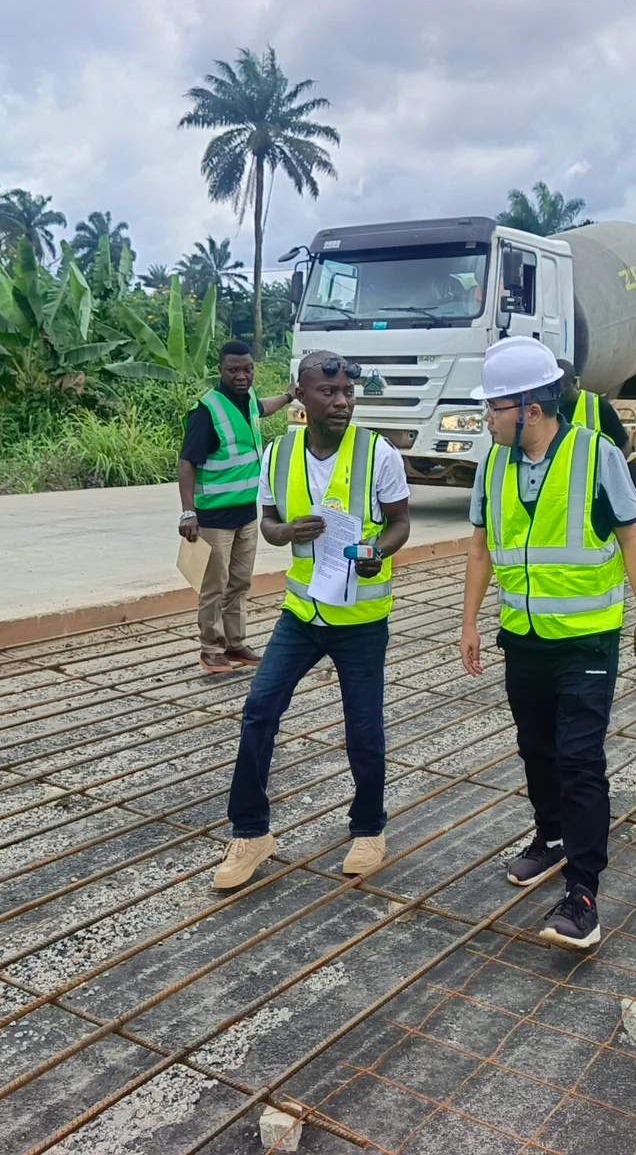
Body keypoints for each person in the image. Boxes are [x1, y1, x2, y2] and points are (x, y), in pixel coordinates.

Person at [459, 337, 636, 951]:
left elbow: (632, 539)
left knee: (579, 760)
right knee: (536, 750)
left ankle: (583, 894)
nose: (486, 418)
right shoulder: (492, 464)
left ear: (531, 408)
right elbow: (480, 548)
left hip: (586, 642)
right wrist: (469, 623)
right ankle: (550, 838)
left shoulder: (596, 455)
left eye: (494, 407)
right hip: (522, 638)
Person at [214, 351, 412, 889]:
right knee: (259, 711)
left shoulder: (378, 453)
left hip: (360, 619)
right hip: (301, 614)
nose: (342, 401)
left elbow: (400, 523)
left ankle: (369, 830)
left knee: (363, 728)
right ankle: (251, 833)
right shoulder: (278, 454)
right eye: (329, 392)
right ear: (300, 396)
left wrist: (377, 551)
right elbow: (269, 523)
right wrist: (286, 533)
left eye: (348, 391)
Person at [178, 341, 297, 672]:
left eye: (247, 369)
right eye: (233, 370)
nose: (241, 375)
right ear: (221, 370)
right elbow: (186, 463)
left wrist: (288, 396)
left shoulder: (247, 401)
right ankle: (210, 648)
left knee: (240, 582)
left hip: (246, 513)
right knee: (214, 586)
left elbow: (262, 407)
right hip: (214, 517)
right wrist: (188, 512)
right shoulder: (207, 411)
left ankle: (235, 643)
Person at [556, 359, 631, 451]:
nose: (560, 392)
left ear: (575, 382)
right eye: (555, 387)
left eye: (565, 386)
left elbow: (624, 447)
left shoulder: (598, 405)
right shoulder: (547, 409)